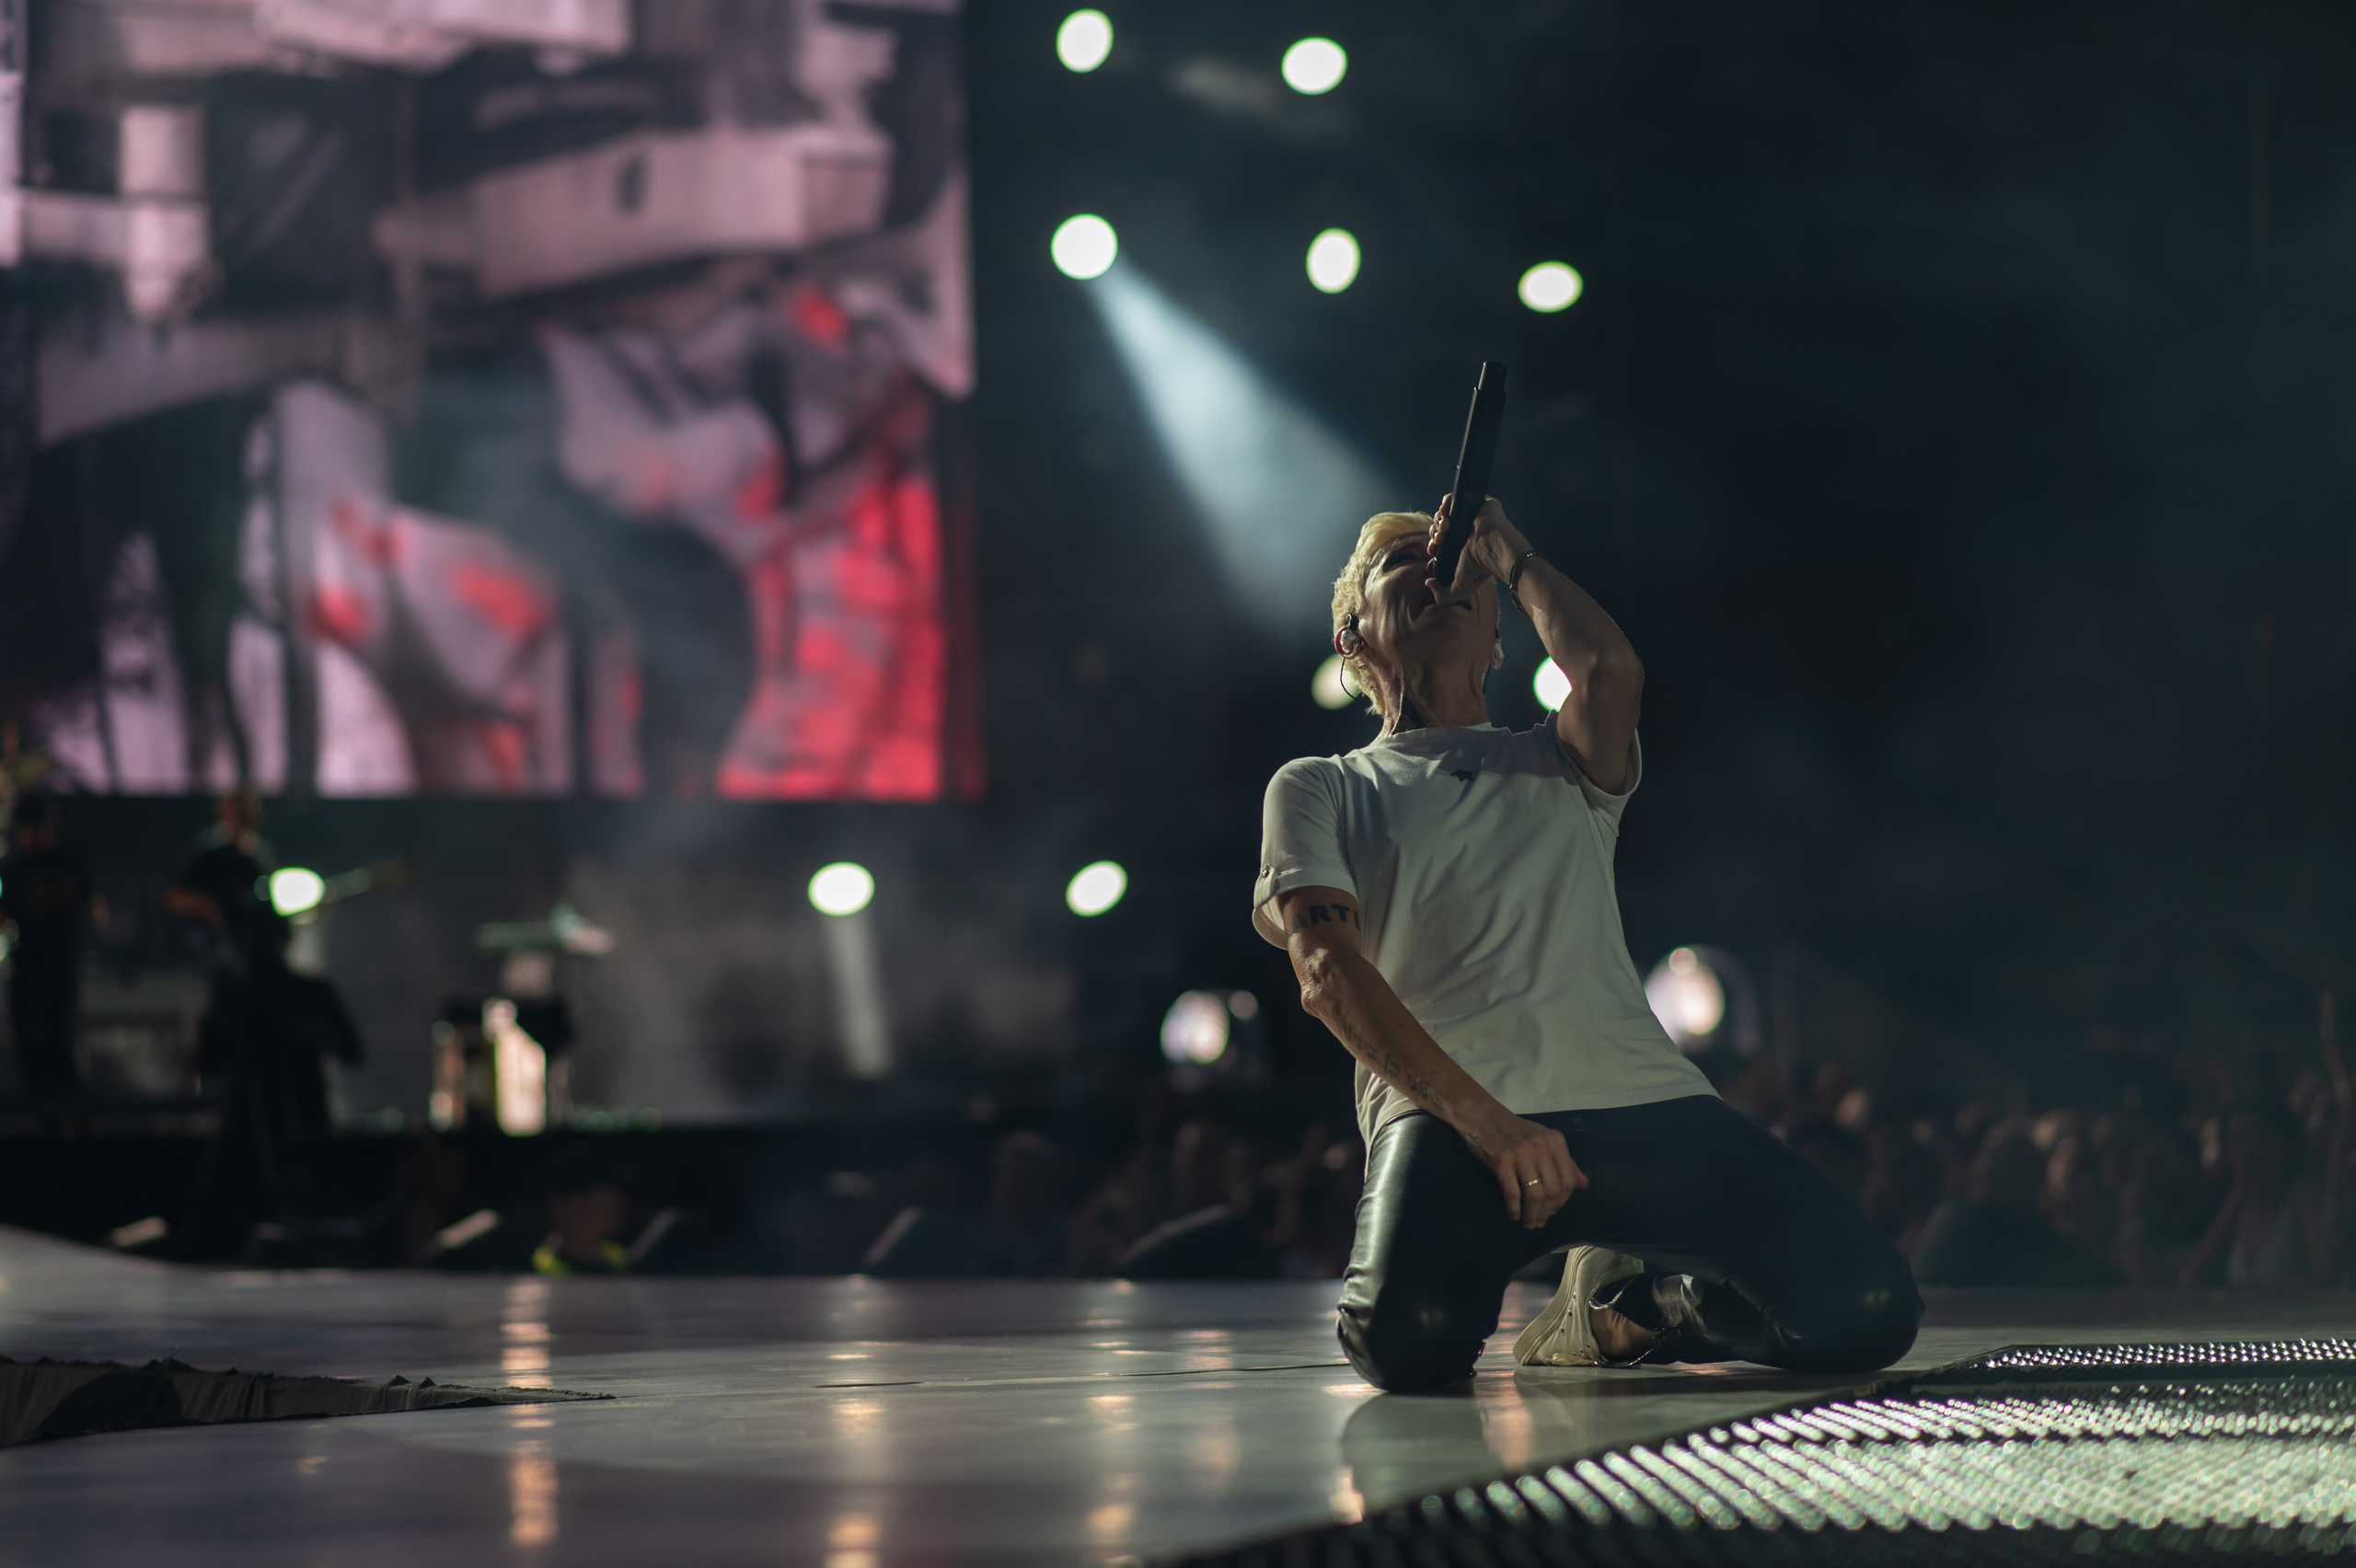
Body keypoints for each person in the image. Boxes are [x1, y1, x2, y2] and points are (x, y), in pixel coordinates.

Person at [1254, 497, 1920, 1391]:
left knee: (1867, 1310)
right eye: (1402, 561)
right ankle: (1568, 1278)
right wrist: (1489, 1123)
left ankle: (1630, 1309)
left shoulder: (1558, 759)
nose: (1435, 571)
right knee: (1403, 1346)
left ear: (1498, 643)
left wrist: (1506, 551)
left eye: (1452, 565)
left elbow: (1608, 667)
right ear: (1353, 638)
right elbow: (1327, 972)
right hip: (1454, 1121)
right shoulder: (1320, 786)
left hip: (1640, 1098)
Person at [1, 794, 96, 1101]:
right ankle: (56, 1117)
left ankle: (67, 1117)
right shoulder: (20, 867)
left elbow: (95, 910)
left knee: (56, 1044)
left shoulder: (29, 866)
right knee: (41, 1046)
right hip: (38, 969)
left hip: (54, 970)